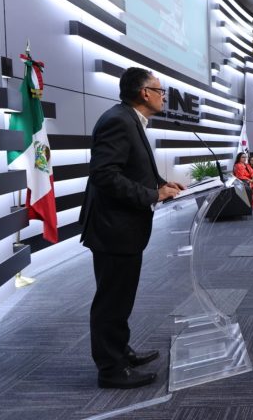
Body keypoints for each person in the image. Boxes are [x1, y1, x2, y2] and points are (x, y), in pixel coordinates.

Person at [80, 67, 184, 389]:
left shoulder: (130, 119)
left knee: (121, 298)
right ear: (145, 93)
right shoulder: (118, 121)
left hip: (123, 228)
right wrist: (152, 195)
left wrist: (161, 184)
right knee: (111, 301)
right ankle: (111, 370)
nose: (163, 96)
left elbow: (131, 168)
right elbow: (104, 175)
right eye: (160, 90)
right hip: (113, 229)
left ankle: (120, 352)